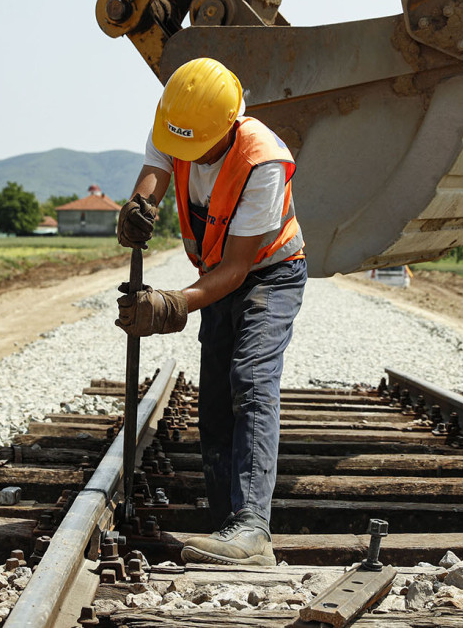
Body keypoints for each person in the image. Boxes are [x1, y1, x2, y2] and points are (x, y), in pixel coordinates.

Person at [115, 57, 306, 566]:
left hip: (270, 274)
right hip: (217, 274)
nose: (185, 156)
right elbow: (153, 177)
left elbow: (239, 268)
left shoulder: (262, 160)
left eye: (195, 148)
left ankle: (253, 531)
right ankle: (227, 527)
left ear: (226, 127)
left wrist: (172, 305)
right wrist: (136, 210)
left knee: (251, 381)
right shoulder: (179, 124)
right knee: (216, 401)